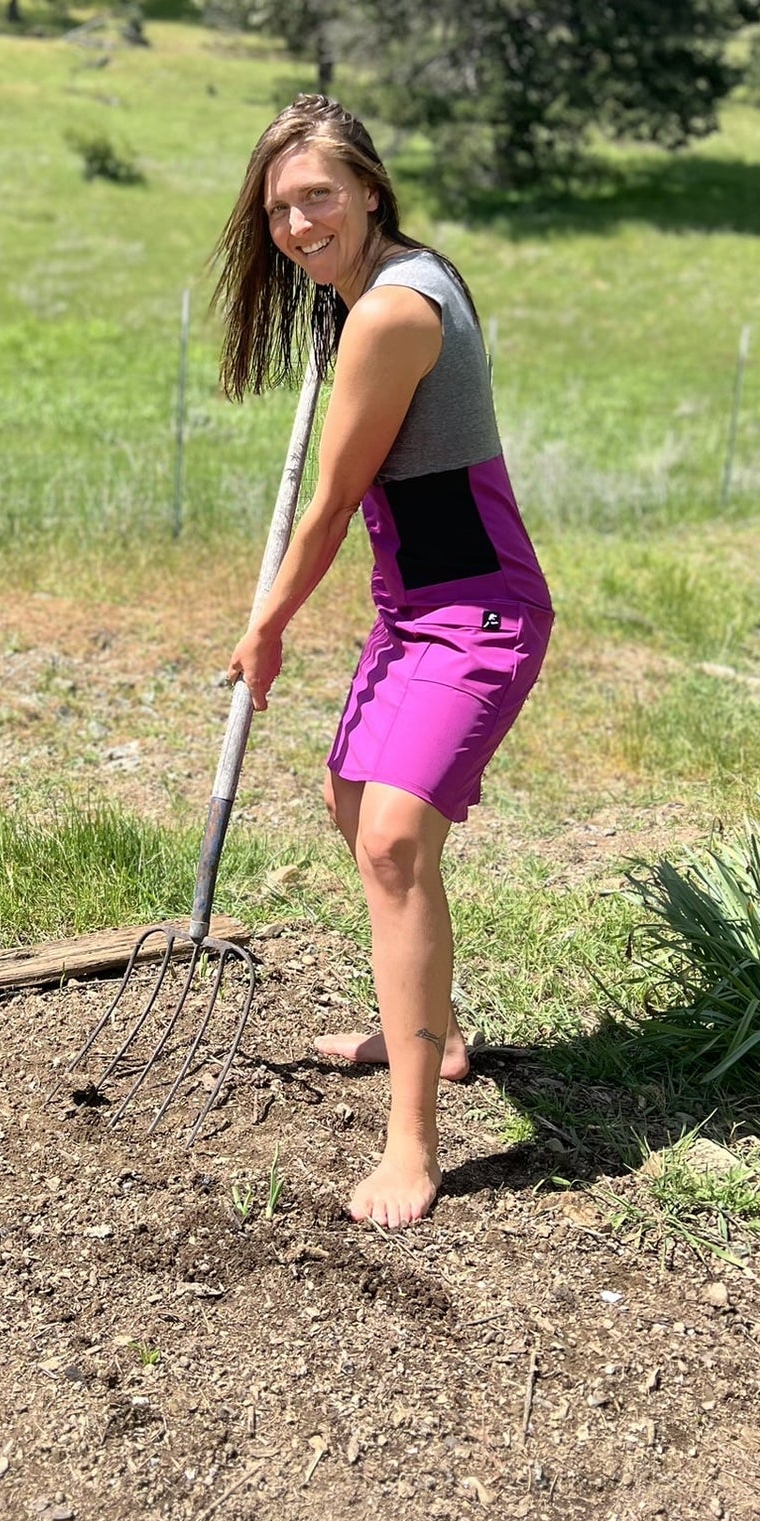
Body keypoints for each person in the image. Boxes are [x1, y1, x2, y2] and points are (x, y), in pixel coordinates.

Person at [216, 95, 552, 1230]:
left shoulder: (390, 311)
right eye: (277, 209)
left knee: (394, 841)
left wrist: (265, 625)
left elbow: (331, 504)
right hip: (415, 603)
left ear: (367, 188)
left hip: (478, 608)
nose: (298, 223)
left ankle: (411, 1146)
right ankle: (434, 1034)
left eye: (317, 196)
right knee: (347, 799)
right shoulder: (378, 283)